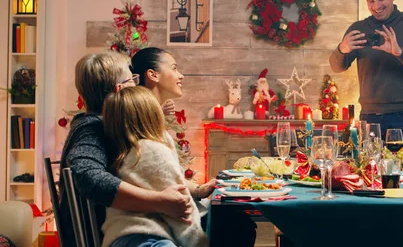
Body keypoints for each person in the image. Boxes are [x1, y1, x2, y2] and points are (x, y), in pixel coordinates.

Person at [59, 52, 194, 246]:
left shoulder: (108, 124)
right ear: (120, 89)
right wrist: (159, 201)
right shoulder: (91, 128)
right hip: (112, 235)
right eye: (133, 80)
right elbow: (88, 176)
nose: (137, 85)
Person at [131, 47, 257, 246]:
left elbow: (168, 175)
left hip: (179, 213)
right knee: (238, 225)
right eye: (174, 68)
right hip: (166, 221)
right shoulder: (138, 125)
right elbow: (151, 180)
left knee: (237, 221)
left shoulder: (154, 123)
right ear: (153, 75)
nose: (180, 75)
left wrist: (199, 189)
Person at [329, 0, 403, 147]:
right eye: (371, 1)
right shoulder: (359, 28)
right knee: (369, 171)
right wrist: (342, 49)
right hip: (369, 117)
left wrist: (398, 52)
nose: (377, 6)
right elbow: (336, 66)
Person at [101, 86, 208, 247]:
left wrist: (200, 190)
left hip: (121, 236)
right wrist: (199, 243)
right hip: (146, 238)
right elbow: (182, 212)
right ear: (152, 116)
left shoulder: (127, 152)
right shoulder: (152, 150)